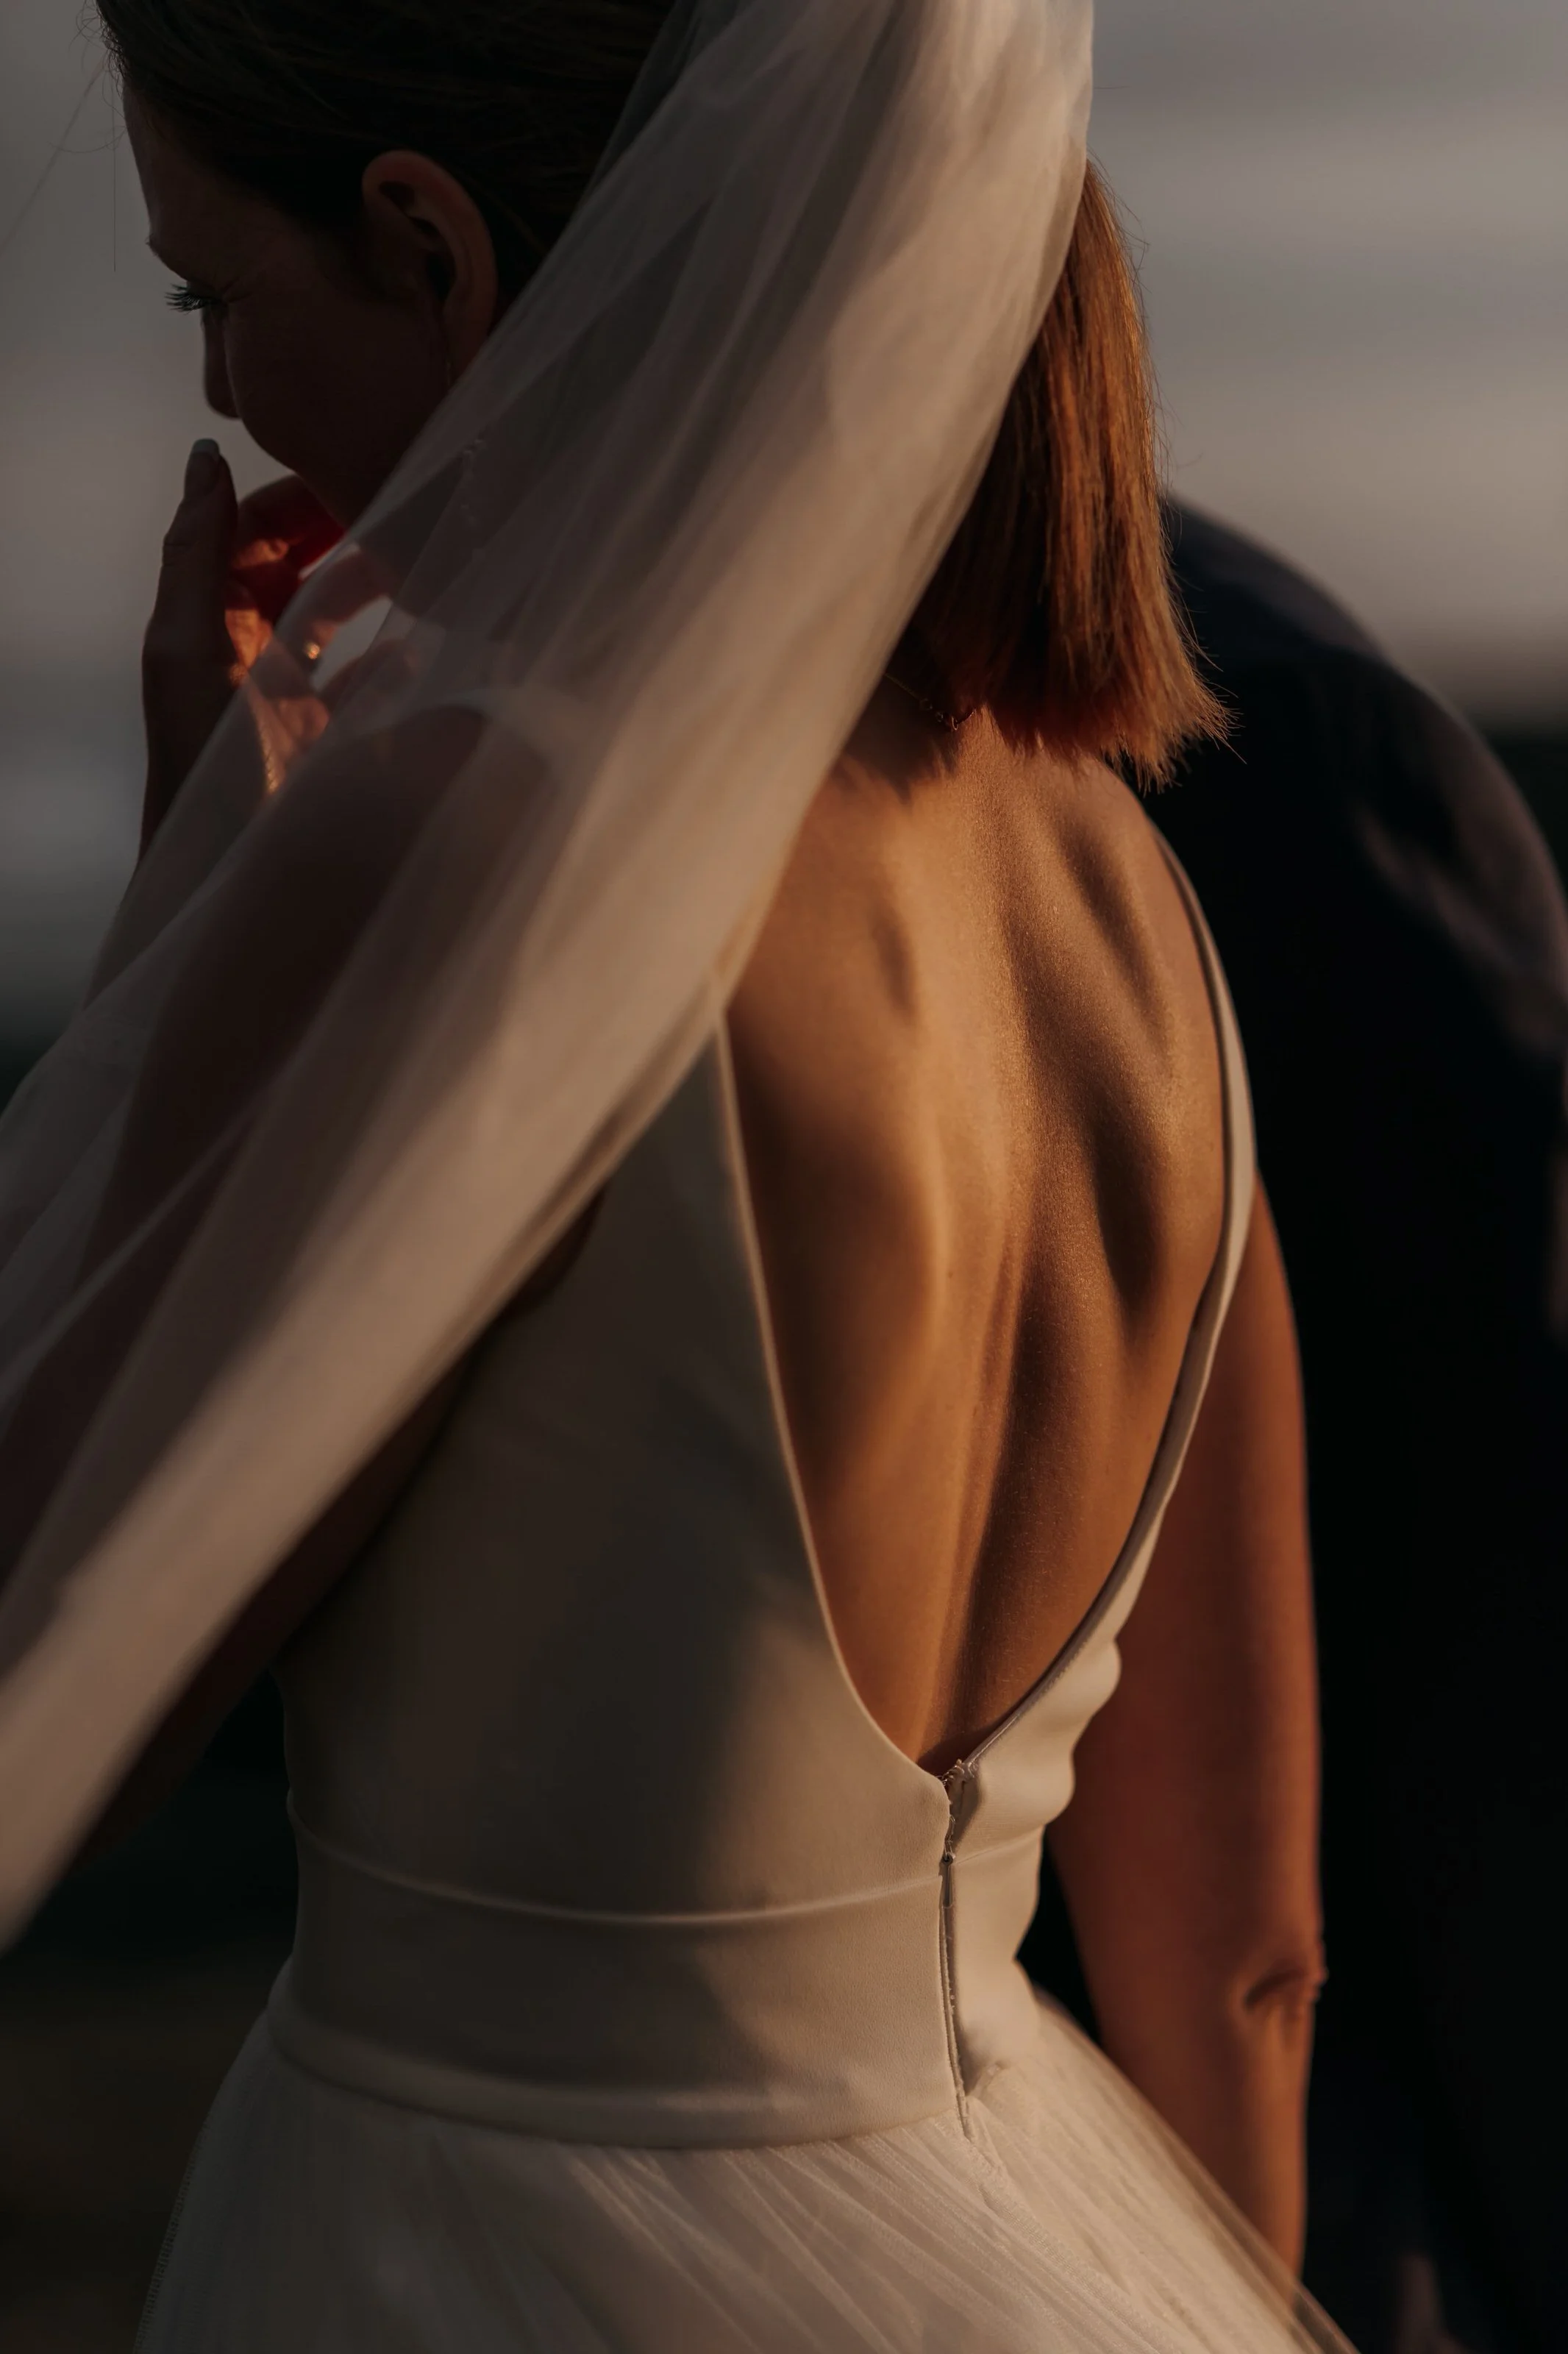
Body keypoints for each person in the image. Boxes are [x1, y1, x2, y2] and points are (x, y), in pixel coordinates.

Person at [0, 4, 1346, 2346]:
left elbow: (54, 1666)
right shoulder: (1125, 898)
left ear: (430, 249)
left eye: (212, 291)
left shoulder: (461, 854)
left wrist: (187, 907)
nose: (222, 393)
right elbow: (1238, 1964)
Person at [1024, 504, 1568, 2354]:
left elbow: (1491, 1609)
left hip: (1282, 2174)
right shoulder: (535, 756)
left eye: (221, 292)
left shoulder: (1276, 746)